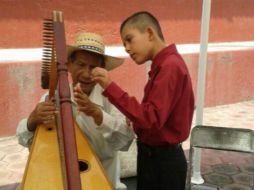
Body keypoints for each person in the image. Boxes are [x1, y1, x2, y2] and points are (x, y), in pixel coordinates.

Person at [16, 32, 135, 190]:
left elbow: (125, 142)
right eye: (81, 65)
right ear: (69, 66)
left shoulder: (111, 99)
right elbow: (24, 139)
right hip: (61, 182)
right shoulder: (53, 97)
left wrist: (97, 114)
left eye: (93, 67)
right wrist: (32, 120)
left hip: (103, 183)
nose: (86, 74)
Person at [92, 11, 195, 190]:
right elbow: (153, 115)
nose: (127, 48)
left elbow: (151, 118)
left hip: (163, 163)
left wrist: (110, 86)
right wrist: (135, 119)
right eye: (124, 44)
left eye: (129, 39)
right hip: (153, 157)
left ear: (149, 33)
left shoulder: (169, 66)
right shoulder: (162, 65)